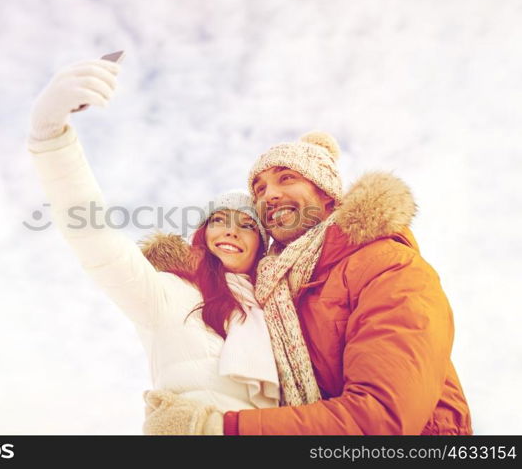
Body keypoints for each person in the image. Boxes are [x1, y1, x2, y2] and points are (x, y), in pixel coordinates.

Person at [26, 58, 321, 433]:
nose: (231, 232)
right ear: (202, 235)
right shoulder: (166, 292)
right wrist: (50, 137)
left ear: (261, 245)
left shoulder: (280, 313)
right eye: (219, 220)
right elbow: (93, 235)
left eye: (247, 225)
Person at [144, 132, 473, 435]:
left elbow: (382, 417)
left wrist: (214, 429)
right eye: (259, 189)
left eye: (286, 178)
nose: (269, 195)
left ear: (327, 194)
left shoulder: (387, 265)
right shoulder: (276, 294)